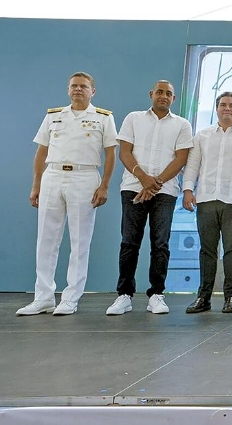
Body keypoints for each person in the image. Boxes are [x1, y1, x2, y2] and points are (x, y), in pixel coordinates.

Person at [17, 71, 117, 316]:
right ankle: (43, 297)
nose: (78, 90)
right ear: (67, 89)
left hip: (84, 177)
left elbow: (111, 154)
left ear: (92, 91)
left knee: (80, 240)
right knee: (46, 239)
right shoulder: (53, 116)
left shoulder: (103, 118)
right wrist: (36, 184)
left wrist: (104, 186)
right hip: (53, 174)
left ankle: (70, 298)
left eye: (83, 86)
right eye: (74, 86)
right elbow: (41, 152)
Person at [104, 80, 193, 316]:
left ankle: (156, 294)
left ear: (173, 99)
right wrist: (143, 178)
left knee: (160, 244)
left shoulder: (182, 125)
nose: (164, 96)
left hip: (165, 192)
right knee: (129, 242)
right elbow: (124, 151)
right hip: (133, 186)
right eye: (160, 92)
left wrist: (155, 183)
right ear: (151, 94)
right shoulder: (133, 118)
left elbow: (181, 158)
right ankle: (124, 295)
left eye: (169, 94)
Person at [181, 92, 232, 314]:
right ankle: (204, 297)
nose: (227, 108)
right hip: (206, 199)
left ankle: (230, 297)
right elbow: (192, 166)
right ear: (216, 108)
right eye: (223, 105)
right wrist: (187, 189)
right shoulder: (202, 136)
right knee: (207, 251)